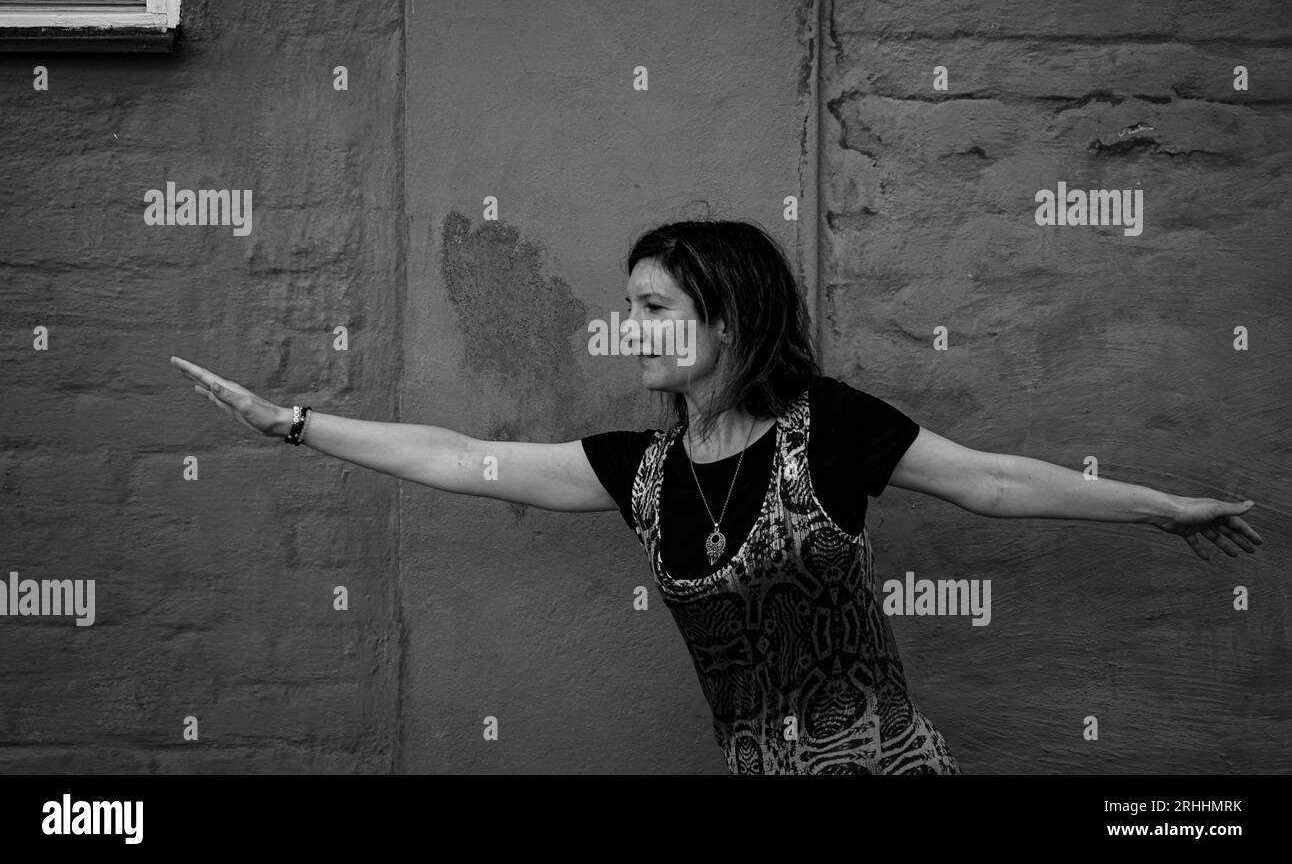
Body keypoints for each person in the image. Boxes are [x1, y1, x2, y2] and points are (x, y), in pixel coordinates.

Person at [170, 218, 1262, 775]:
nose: (629, 324)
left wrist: (1161, 507)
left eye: (652, 305)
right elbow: (460, 456)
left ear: (725, 316)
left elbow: (992, 478)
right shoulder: (639, 473)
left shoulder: (828, 430)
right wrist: (296, 424)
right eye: (626, 303)